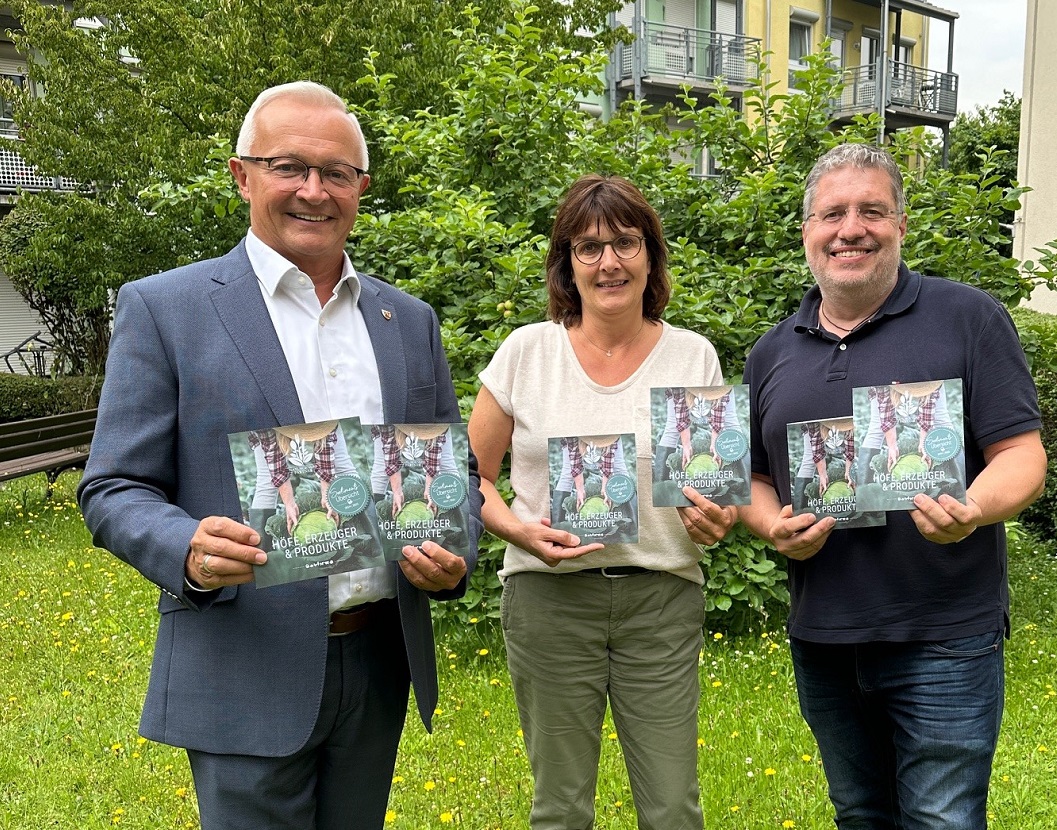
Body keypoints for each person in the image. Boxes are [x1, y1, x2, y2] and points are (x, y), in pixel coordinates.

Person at [77, 81, 481, 830]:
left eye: (336, 173)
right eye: (288, 166)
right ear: (242, 175)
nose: (312, 190)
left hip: (376, 662)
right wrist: (186, 547)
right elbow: (114, 486)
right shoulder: (167, 309)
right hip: (244, 662)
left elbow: (456, 476)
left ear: (361, 188)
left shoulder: (406, 320)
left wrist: (456, 550)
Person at [740, 143, 1046, 830]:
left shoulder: (967, 317)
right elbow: (752, 478)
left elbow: (1022, 456)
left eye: (871, 211)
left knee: (943, 819)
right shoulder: (770, 350)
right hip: (823, 634)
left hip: (942, 634)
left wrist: (973, 508)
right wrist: (770, 527)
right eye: (832, 213)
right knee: (858, 814)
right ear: (807, 231)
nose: (850, 229)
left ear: (900, 226)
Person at [468, 173, 737, 829]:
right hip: (548, 601)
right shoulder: (525, 353)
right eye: (587, 247)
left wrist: (714, 520)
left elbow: (717, 502)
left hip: (660, 599)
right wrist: (518, 530)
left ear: (650, 254)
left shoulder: (691, 355)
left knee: (672, 806)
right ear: (567, 263)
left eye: (624, 242)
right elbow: (467, 479)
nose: (608, 261)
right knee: (559, 806)